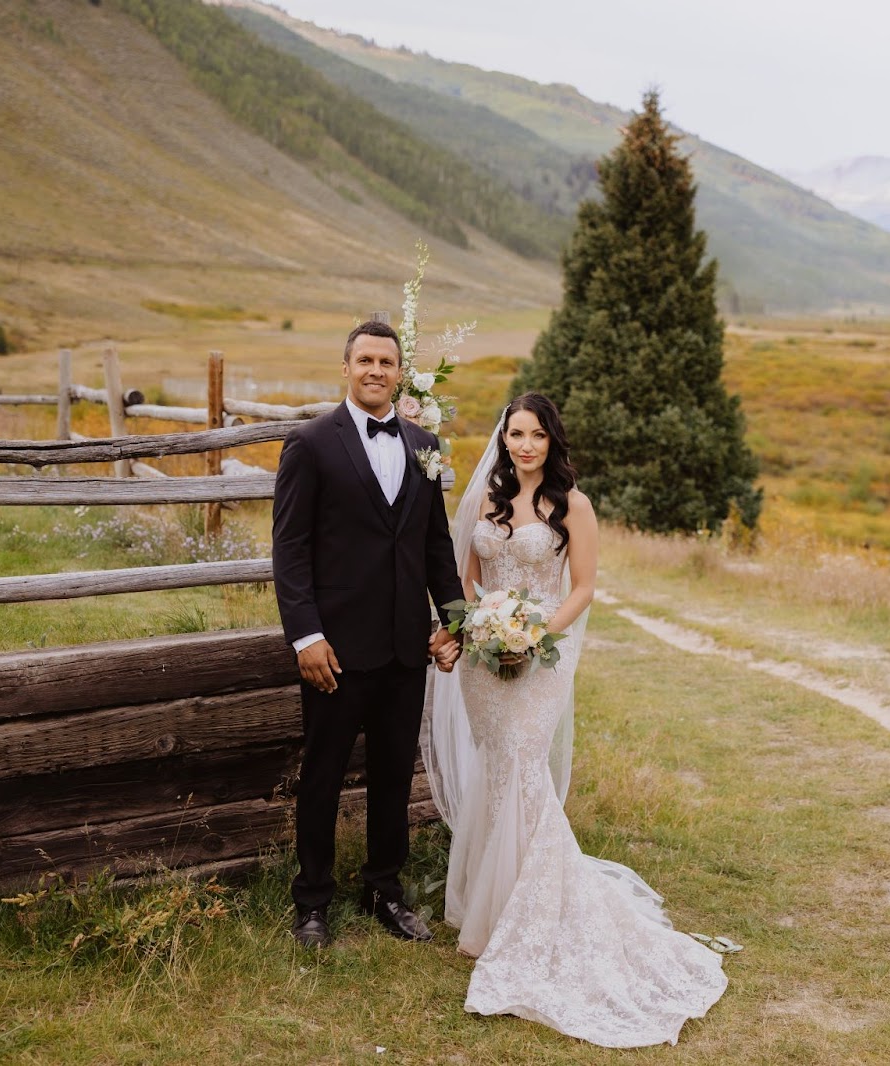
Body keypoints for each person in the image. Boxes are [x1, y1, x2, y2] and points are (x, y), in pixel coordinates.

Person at [424, 393, 728, 1047]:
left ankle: (525, 918)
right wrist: (478, 624)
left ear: (552, 441)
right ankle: (491, 905)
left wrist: (532, 635)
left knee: (523, 765)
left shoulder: (574, 506)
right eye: (515, 434)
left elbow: (583, 585)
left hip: (542, 655)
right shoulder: (486, 501)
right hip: (485, 657)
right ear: (503, 440)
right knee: (496, 770)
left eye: (536, 435)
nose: (524, 445)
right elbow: (466, 576)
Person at [272, 319, 463, 949]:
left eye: (387, 361)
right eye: (365, 360)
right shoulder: (310, 444)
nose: (375, 370)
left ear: (400, 372)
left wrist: (454, 619)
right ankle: (313, 903)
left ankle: (385, 890)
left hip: (405, 646)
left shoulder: (423, 442)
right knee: (323, 775)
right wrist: (306, 638)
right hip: (336, 651)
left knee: (391, 777)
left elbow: (436, 544)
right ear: (346, 368)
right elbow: (291, 551)